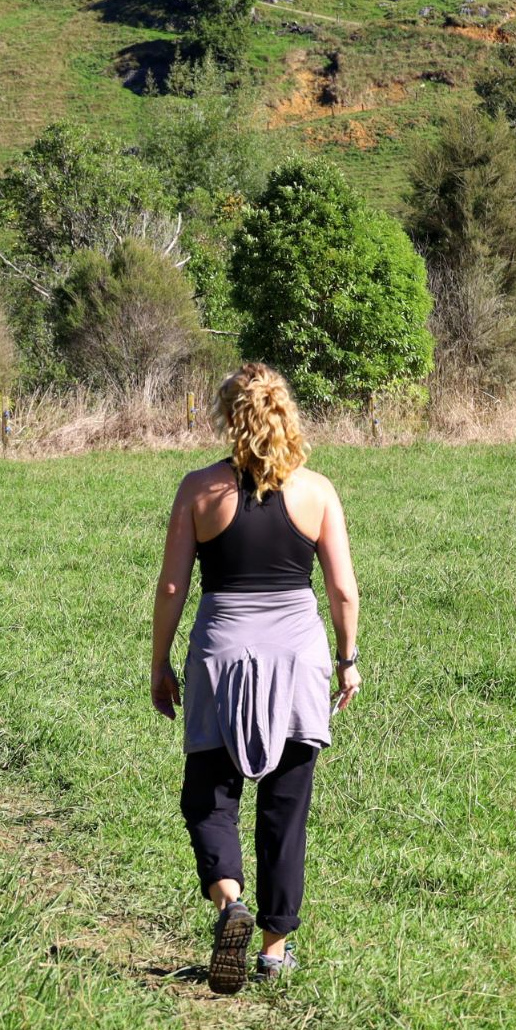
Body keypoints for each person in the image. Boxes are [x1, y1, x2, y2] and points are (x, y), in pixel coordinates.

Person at [150, 363, 360, 994]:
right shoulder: (317, 491)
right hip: (298, 660)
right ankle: (274, 949)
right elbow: (343, 591)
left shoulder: (198, 490)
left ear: (227, 417)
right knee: (285, 808)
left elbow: (171, 585)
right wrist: (347, 660)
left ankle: (228, 902)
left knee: (209, 793)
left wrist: (159, 663)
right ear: (286, 413)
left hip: (221, 654)